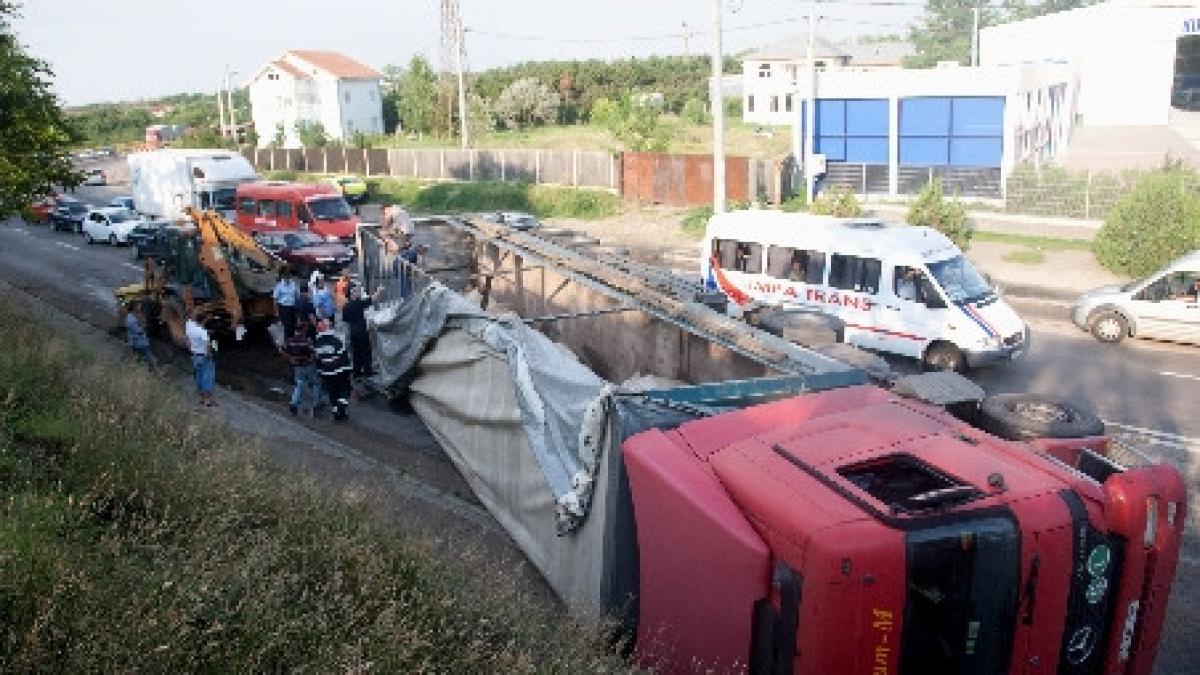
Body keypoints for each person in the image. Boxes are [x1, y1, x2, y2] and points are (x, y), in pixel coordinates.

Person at [279, 318, 322, 416]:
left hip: (297, 366)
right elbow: (314, 352)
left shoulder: (290, 341)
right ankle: (316, 403)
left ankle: (294, 402)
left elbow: (282, 350)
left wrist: (290, 358)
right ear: (303, 330)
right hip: (308, 365)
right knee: (316, 383)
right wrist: (311, 359)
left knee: (299, 384)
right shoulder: (307, 341)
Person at [342, 283, 384, 379]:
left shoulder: (345, 307)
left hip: (353, 333)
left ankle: (357, 373)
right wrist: (379, 290)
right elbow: (372, 299)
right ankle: (368, 371)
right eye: (355, 291)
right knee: (366, 352)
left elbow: (346, 322)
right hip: (361, 332)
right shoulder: (358, 303)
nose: (357, 292)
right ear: (351, 293)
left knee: (356, 353)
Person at [314, 319, 352, 421]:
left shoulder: (317, 343)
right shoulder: (336, 341)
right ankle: (341, 406)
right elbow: (343, 357)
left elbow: (318, 360)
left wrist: (320, 372)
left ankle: (337, 412)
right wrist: (348, 370)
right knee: (345, 389)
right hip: (339, 371)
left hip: (326, 373)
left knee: (332, 391)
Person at [185, 310, 216, 407]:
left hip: (195, 355)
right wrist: (209, 355)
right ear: (203, 321)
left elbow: (187, 340)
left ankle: (201, 398)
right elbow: (207, 345)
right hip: (203, 356)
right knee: (207, 377)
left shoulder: (189, 327)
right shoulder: (202, 332)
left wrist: (191, 350)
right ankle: (207, 401)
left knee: (198, 376)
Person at [124, 302, 157, 372]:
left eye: (140, 306)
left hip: (141, 342)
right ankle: (153, 371)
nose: (140, 307)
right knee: (149, 358)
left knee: (142, 357)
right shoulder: (130, 319)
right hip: (137, 342)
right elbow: (137, 330)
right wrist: (142, 325)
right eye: (138, 306)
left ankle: (146, 369)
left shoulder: (136, 316)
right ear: (134, 307)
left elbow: (143, 326)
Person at [273, 270, 298, 338]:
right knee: (286, 325)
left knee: (293, 324)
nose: (287, 278)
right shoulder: (279, 286)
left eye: (288, 276)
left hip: (292, 306)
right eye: (286, 277)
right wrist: (276, 310)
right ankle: (286, 339)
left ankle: (292, 339)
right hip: (284, 307)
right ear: (283, 277)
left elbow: (296, 295)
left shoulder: (293, 284)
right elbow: (275, 298)